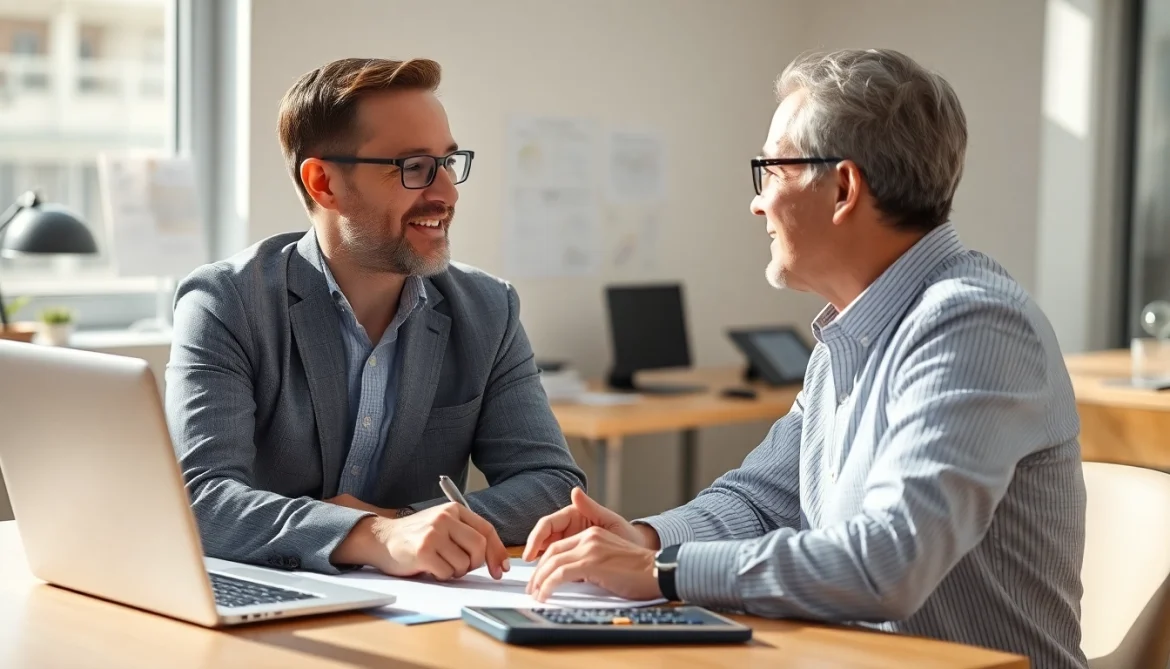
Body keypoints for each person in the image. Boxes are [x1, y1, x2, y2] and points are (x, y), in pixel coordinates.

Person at [521, 48, 1087, 668]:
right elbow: (762, 500)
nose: (757, 203)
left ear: (843, 187)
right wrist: (643, 537)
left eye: (771, 170)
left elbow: (888, 562)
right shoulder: (847, 334)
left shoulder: (974, 325)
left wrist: (660, 570)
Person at [166, 57, 585, 581]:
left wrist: (403, 525)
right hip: (265, 604)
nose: (447, 193)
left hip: (417, 617)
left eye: (448, 163)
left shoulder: (488, 309)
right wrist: (370, 536)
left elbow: (550, 484)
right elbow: (199, 499)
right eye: (413, 167)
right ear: (323, 183)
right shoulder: (226, 302)